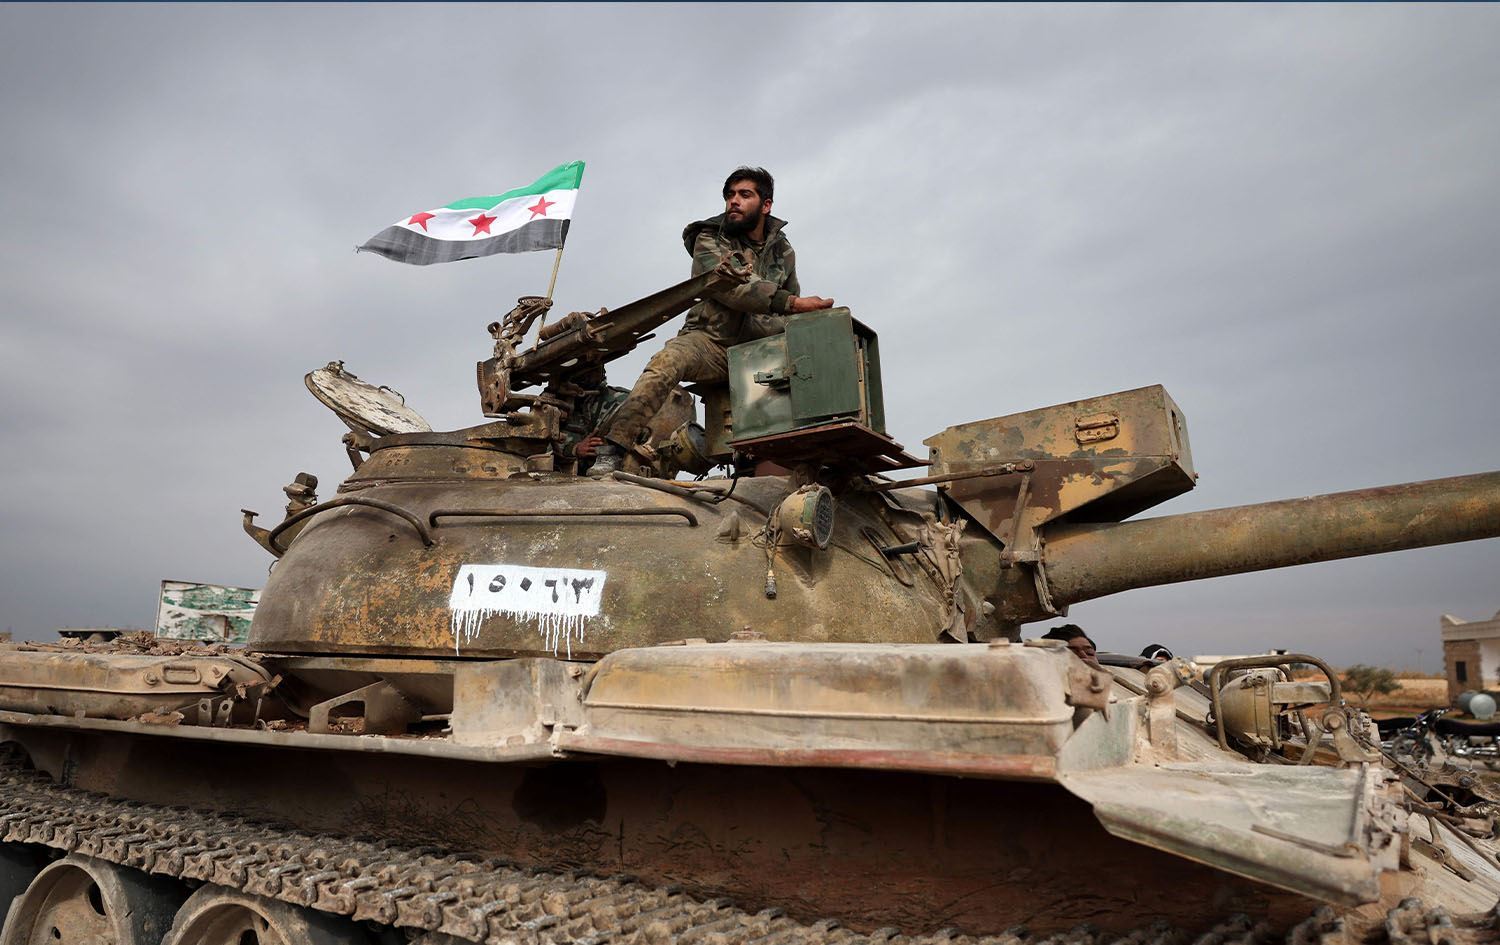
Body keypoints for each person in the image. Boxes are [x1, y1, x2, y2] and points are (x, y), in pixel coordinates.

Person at [589, 166, 835, 477]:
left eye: (744, 195)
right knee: (667, 361)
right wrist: (792, 303)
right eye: (730, 195)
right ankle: (614, 447)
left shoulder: (783, 251)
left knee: (813, 358)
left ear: (766, 205)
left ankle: (816, 457)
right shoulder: (709, 238)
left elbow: (789, 306)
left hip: (758, 351)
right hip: (710, 342)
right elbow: (733, 288)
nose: (734, 201)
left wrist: (805, 317)